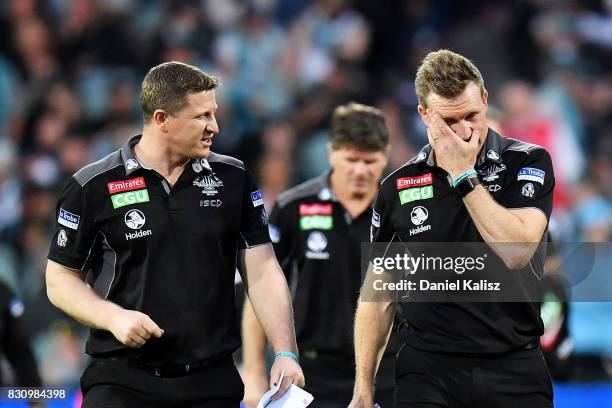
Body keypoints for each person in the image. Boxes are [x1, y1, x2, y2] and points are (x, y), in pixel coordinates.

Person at [46, 61, 304, 408]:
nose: (214, 126)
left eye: (213, 114)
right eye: (201, 117)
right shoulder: (92, 186)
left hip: (211, 382)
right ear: (162, 119)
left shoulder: (233, 178)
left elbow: (262, 271)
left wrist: (285, 351)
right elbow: (59, 279)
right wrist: (114, 317)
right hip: (122, 382)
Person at [349, 50, 555, 408]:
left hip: (513, 365)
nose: (464, 132)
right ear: (425, 116)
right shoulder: (398, 187)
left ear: (486, 100)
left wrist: (463, 176)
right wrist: (363, 387)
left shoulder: (526, 161)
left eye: (473, 116)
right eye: (449, 121)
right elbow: (379, 294)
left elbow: (517, 251)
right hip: (428, 369)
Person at [242, 103, 402, 408]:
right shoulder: (294, 208)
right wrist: (252, 371)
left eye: (370, 160)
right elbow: (261, 289)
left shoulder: (401, 212)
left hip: (386, 371)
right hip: (315, 372)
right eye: (351, 159)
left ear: (386, 155)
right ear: (331, 153)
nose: (360, 170)